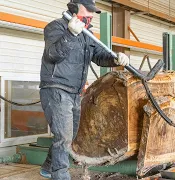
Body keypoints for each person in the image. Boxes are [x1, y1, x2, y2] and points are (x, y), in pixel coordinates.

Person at [39, 0, 129, 179]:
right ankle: (60, 175)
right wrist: (70, 34)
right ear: (74, 8)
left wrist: (115, 59)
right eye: (87, 10)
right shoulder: (55, 27)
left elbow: (98, 56)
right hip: (56, 88)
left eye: (92, 11)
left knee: (68, 136)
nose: (90, 14)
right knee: (63, 137)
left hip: (74, 91)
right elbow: (53, 54)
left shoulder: (87, 33)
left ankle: (49, 167)